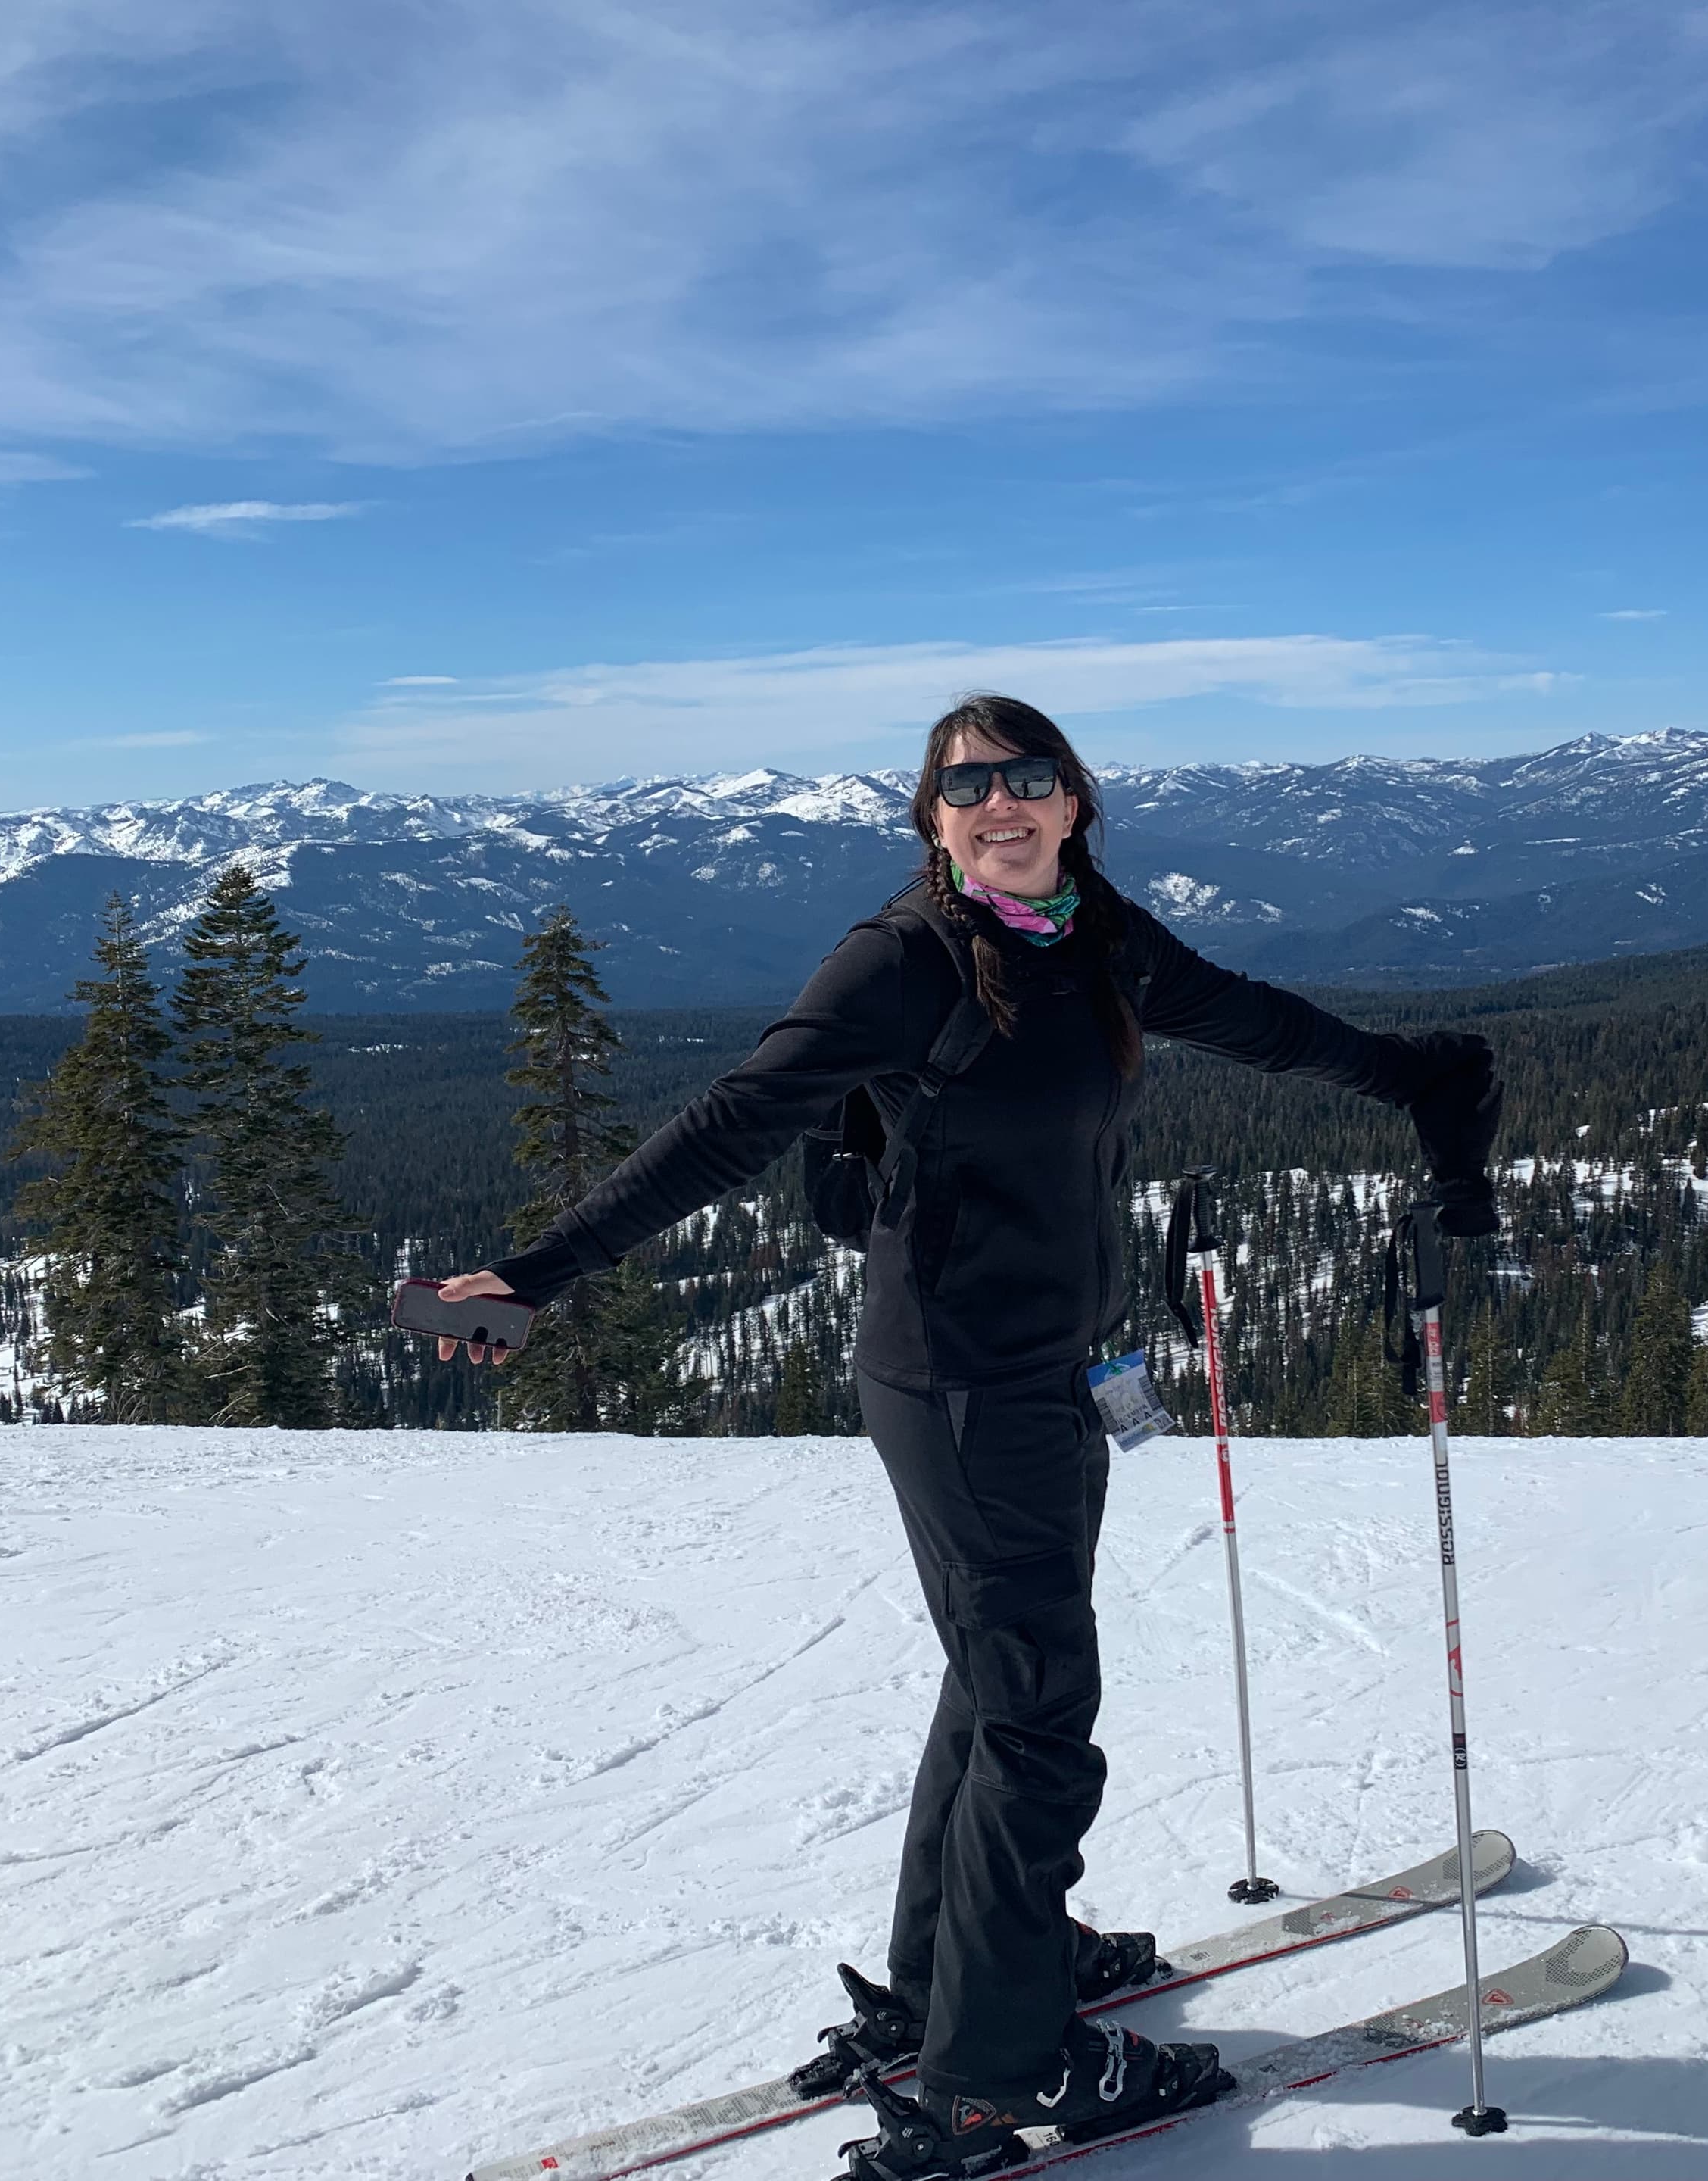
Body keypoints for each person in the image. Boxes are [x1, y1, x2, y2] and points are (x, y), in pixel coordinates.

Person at [436, 693, 1501, 2177]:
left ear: (1076, 804)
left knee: (999, 1682)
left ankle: (957, 1983)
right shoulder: (900, 962)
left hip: (1054, 1373)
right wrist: (537, 1273)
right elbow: (731, 1123)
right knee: (1038, 1721)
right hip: (953, 1386)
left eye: (1031, 779)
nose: (1002, 803)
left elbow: (1263, 1023)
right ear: (932, 820)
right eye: (968, 785)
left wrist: (1416, 1075)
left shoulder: (1101, 943)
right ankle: (1001, 2074)